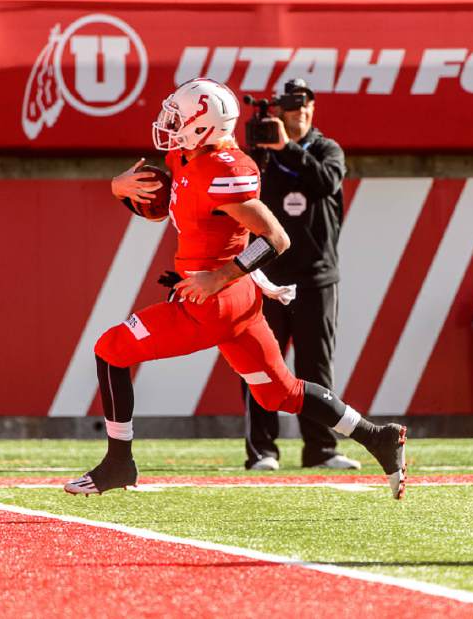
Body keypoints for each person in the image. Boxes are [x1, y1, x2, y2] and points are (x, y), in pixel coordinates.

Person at [63, 78, 406, 499]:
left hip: (211, 303)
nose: (169, 124)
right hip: (236, 303)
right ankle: (379, 437)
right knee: (283, 393)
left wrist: (216, 276)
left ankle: (119, 462)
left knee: (110, 349)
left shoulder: (228, 169)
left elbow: (276, 238)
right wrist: (120, 187)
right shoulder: (187, 156)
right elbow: (172, 195)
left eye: (179, 117)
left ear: (204, 124)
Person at [241, 78, 358, 471]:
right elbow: (244, 195)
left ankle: (321, 449)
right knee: (261, 365)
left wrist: (286, 147)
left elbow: (325, 181)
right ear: (278, 112)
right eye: (292, 107)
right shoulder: (263, 156)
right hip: (269, 277)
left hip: (317, 276)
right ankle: (262, 450)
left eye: (306, 105)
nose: (301, 112)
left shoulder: (328, 149)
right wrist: (266, 151)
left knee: (316, 366)